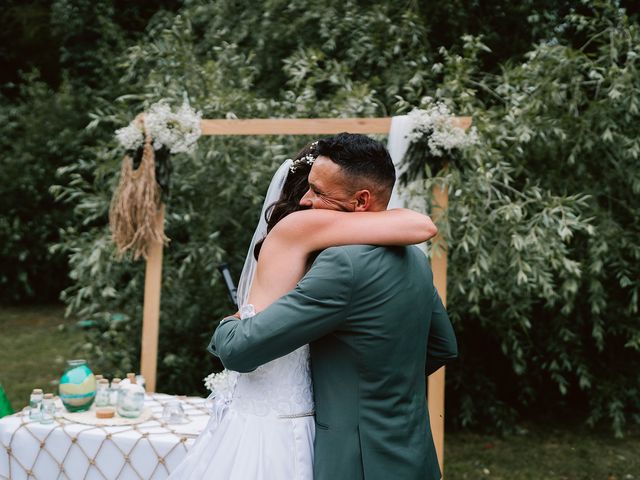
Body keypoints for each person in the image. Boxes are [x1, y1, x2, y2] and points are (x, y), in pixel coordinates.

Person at [168, 138, 439, 479]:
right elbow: (442, 346)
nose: (304, 201)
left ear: (361, 200)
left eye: (318, 191)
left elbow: (239, 349)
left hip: (349, 454)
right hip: (413, 450)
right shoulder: (416, 258)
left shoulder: (338, 261)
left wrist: (232, 320)